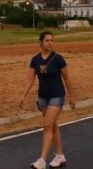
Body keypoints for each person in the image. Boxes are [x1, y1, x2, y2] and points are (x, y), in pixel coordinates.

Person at [19, 31, 76, 169]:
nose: (50, 42)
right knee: (53, 125)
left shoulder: (58, 59)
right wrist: (23, 95)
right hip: (43, 97)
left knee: (47, 126)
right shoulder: (35, 60)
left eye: (52, 40)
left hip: (57, 95)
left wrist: (72, 96)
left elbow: (67, 78)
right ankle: (60, 156)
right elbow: (30, 79)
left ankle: (42, 160)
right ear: (41, 42)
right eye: (47, 40)